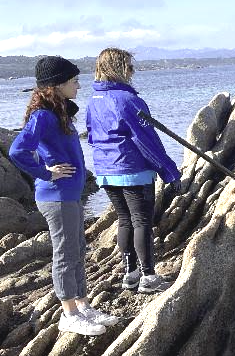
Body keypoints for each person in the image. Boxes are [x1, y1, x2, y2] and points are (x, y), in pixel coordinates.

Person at [9, 56, 118, 335]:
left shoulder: (59, 113)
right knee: (66, 254)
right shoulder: (43, 116)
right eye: (73, 81)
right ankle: (69, 314)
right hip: (55, 196)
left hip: (69, 195)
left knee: (78, 250)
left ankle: (83, 306)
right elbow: (17, 151)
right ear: (56, 85)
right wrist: (46, 172)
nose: (79, 85)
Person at [85, 48, 181, 293]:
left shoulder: (92, 101)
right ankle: (148, 277)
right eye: (129, 66)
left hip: (106, 171)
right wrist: (169, 171)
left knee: (124, 220)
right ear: (117, 69)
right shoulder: (129, 101)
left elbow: (91, 135)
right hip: (132, 169)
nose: (132, 71)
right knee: (141, 222)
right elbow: (146, 140)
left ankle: (130, 274)